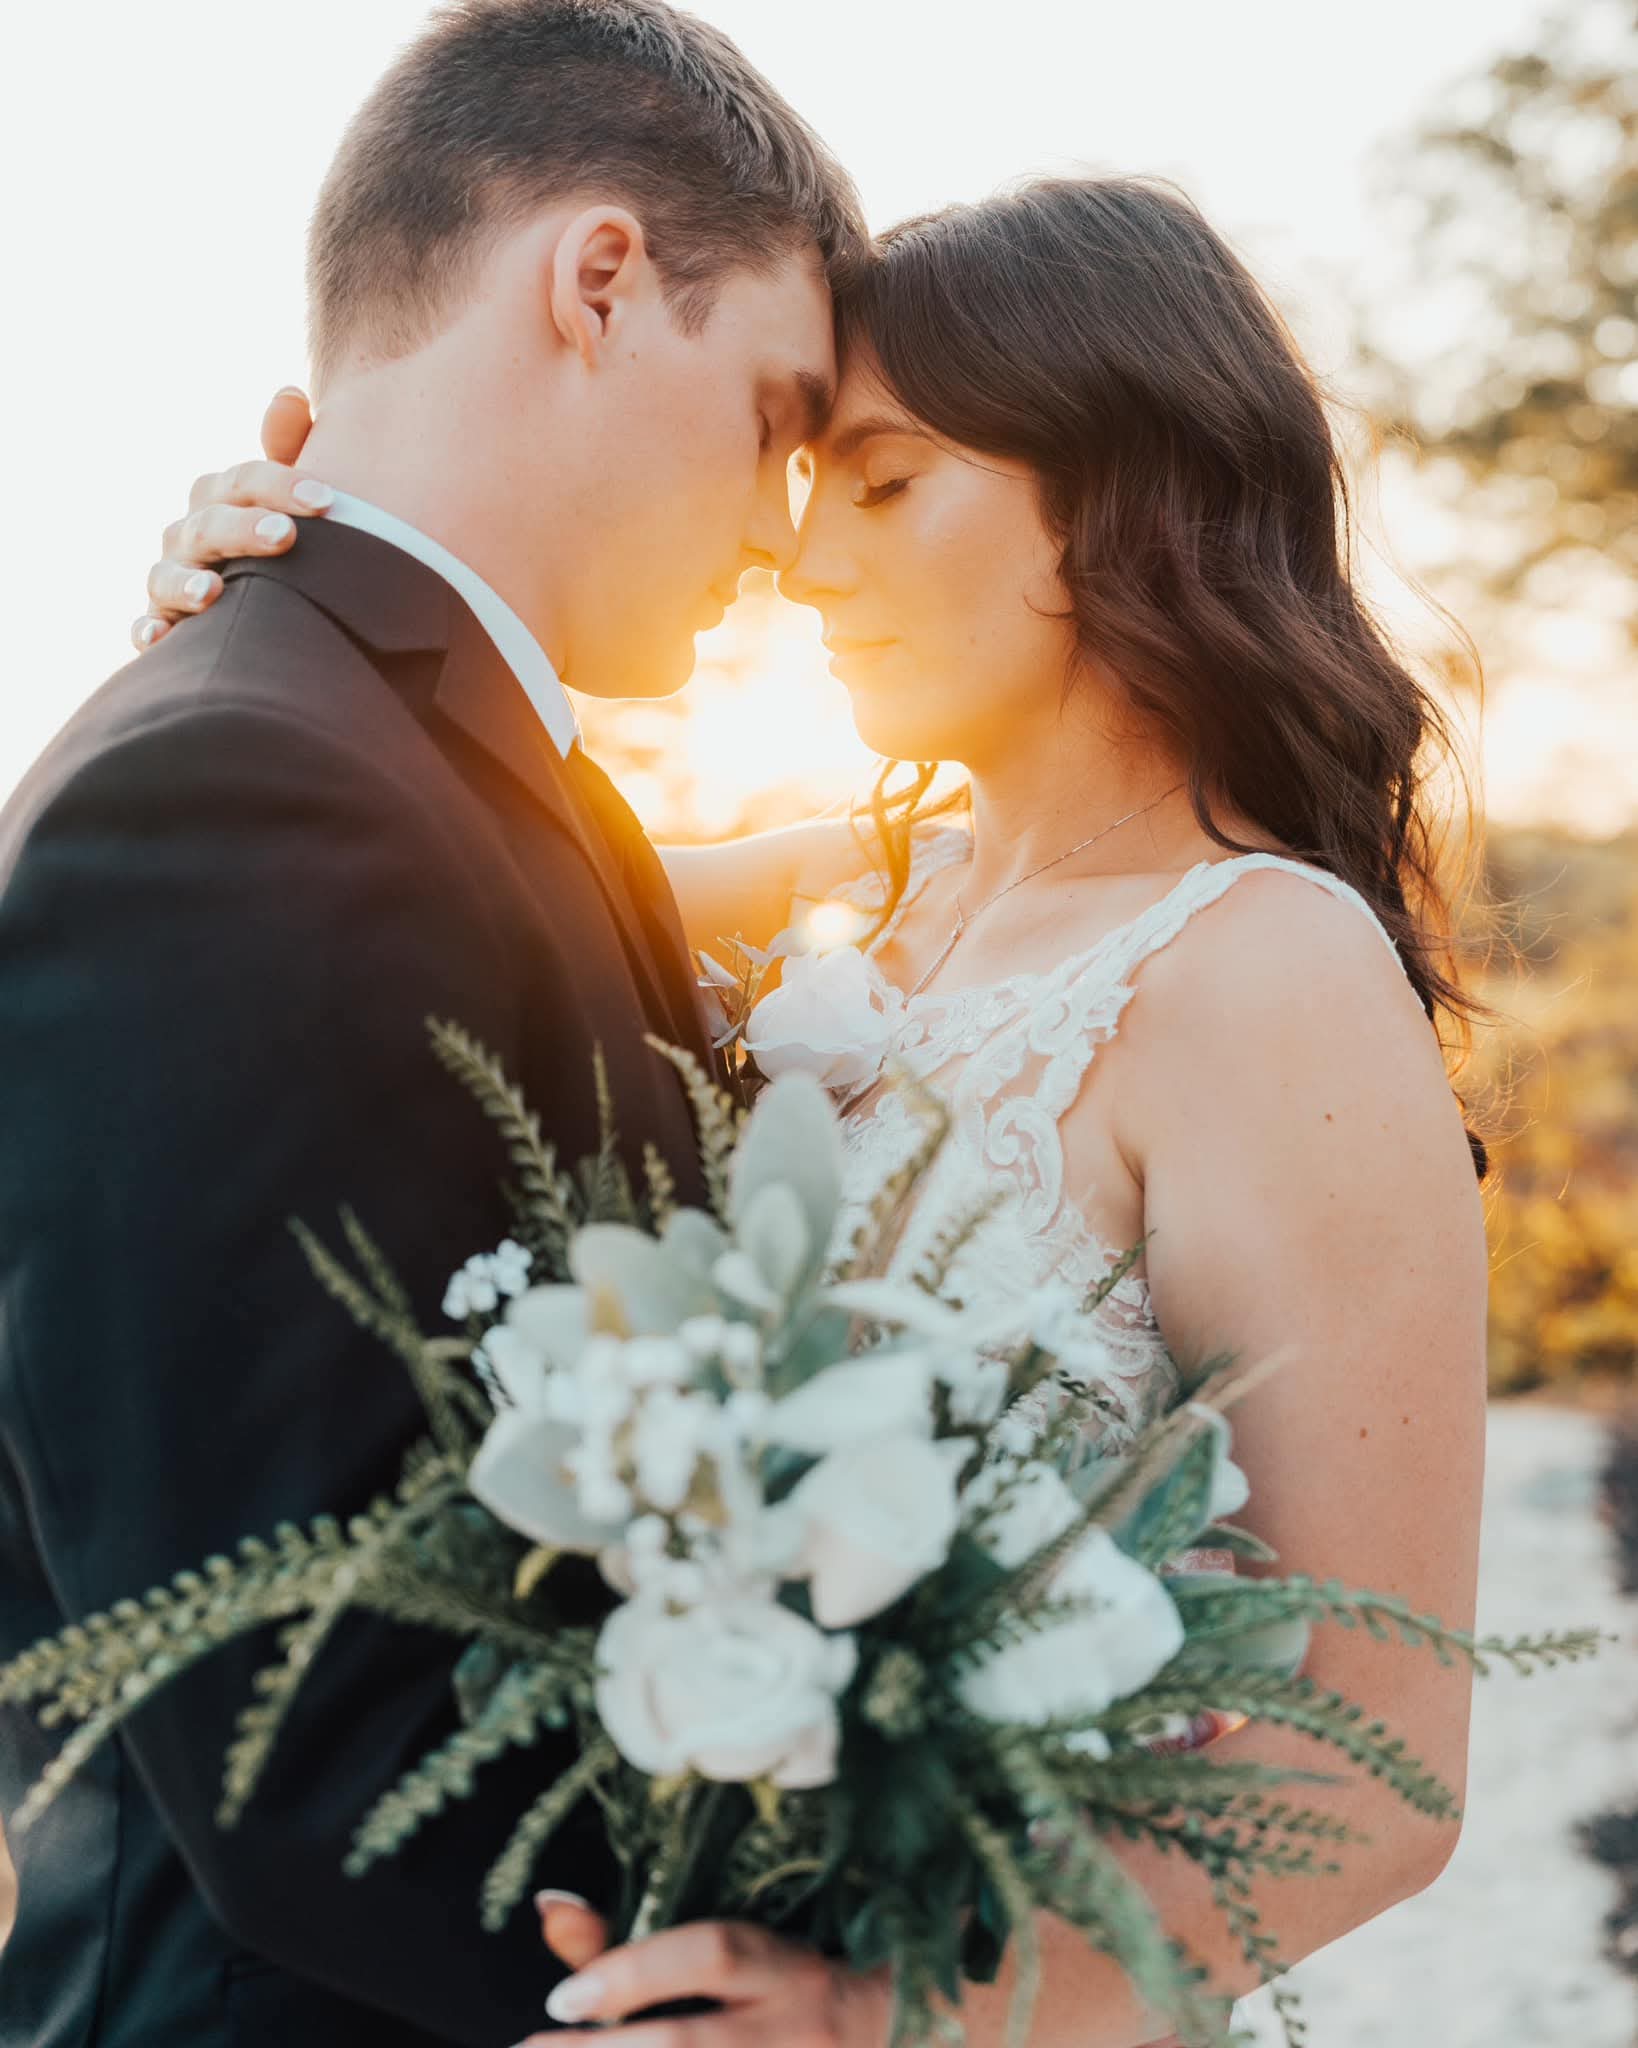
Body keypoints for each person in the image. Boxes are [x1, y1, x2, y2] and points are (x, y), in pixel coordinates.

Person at [139, 172, 1490, 2047]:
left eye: (882, 483)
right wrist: (263, 609)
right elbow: (369, 867)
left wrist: (884, 2017)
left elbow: (1379, 1762)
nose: (797, 561)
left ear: (1119, 493)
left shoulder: (1265, 973)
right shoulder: (840, 898)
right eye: (799, 485)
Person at [0, 5, 868, 2047]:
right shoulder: (241, 794)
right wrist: (801, 1975)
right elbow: (297, 1706)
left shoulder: (414, 760)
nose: (781, 529)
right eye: (777, 416)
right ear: (601, 281)